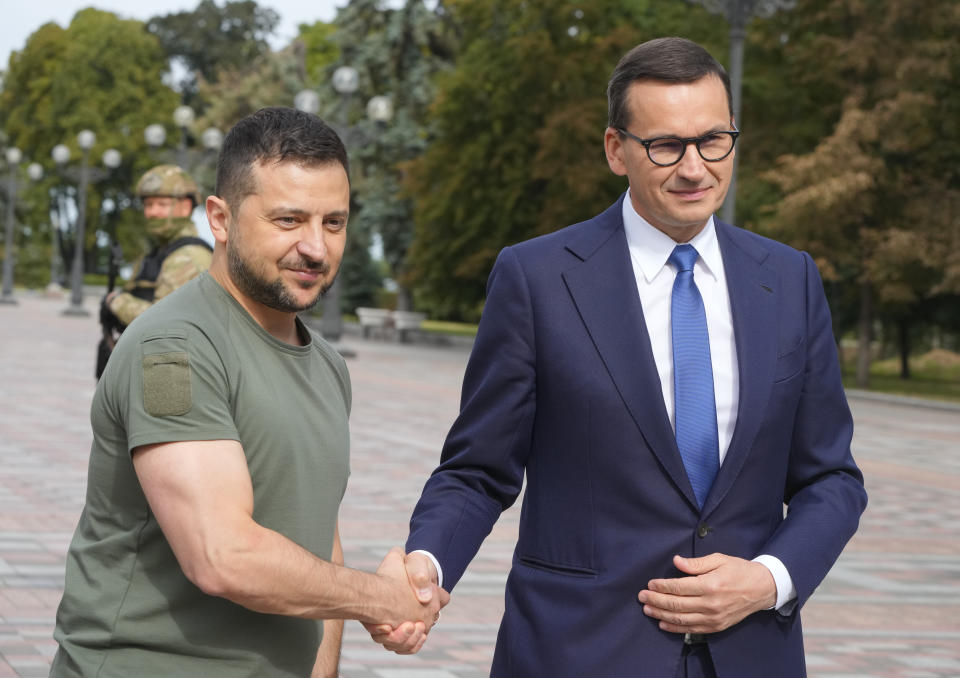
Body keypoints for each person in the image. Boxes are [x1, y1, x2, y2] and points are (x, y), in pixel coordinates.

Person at [375, 37, 868, 676]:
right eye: (666, 146)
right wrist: (426, 565)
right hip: (577, 650)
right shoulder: (537, 278)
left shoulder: (791, 278)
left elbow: (831, 478)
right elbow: (479, 469)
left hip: (750, 654)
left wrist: (768, 579)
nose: (695, 168)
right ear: (616, 149)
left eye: (714, 140)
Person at [51, 107, 446, 678]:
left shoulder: (326, 363)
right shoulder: (174, 348)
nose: (315, 247)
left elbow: (317, 534)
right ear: (221, 218)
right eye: (288, 220)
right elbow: (223, 556)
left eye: (333, 223)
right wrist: (382, 598)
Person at [96, 165, 212, 378]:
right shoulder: (157, 254)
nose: (152, 212)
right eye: (148, 205)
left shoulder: (189, 256)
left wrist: (115, 302)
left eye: (162, 204)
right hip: (148, 367)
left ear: (185, 207)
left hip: (171, 375)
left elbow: (163, 323)